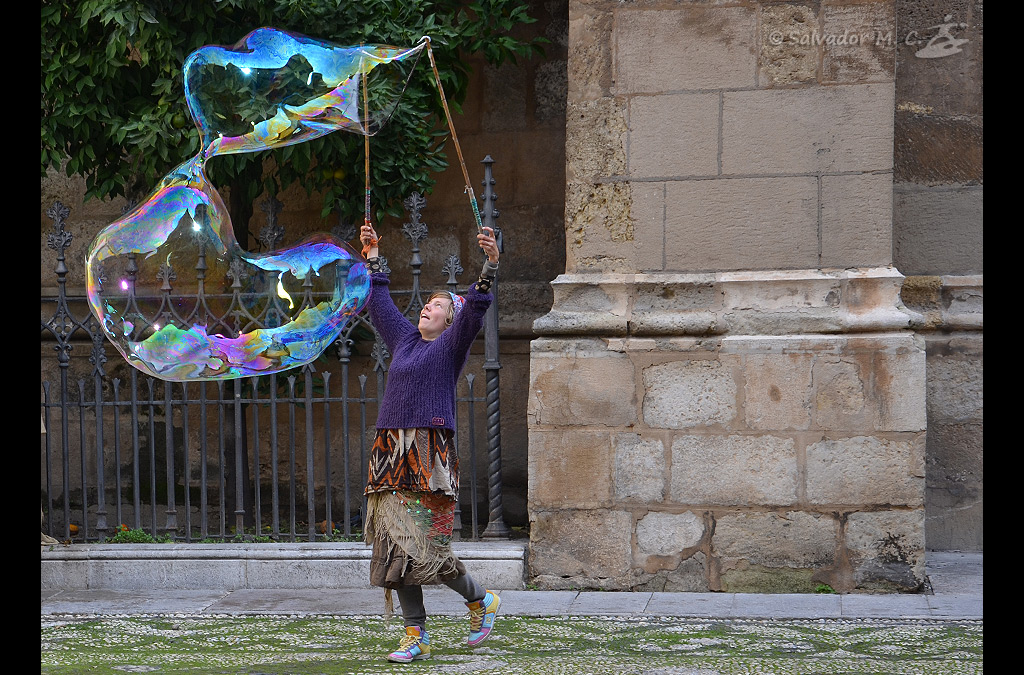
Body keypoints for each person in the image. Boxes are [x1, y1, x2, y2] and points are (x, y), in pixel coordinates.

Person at [359, 221, 502, 664]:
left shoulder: (451, 346)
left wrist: (489, 268)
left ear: (450, 319)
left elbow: (476, 311)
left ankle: (480, 601)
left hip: (428, 455)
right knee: (394, 548)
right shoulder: (403, 340)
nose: (426, 308)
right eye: (426, 303)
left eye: (437, 306)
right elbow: (379, 301)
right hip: (389, 454)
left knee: (428, 549)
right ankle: (414, 635)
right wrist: (373, 258)